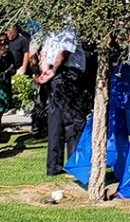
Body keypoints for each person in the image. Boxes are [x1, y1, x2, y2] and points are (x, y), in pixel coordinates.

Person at [37, 27, 88, 176]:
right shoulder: (69, 24)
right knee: (74, 120)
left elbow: (44, 52)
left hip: (54, 75)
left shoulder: (51, 26)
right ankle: (74, 164)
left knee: (56, 121)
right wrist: (52, 71)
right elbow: (64, 51)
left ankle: (53, 166)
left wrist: (46, 71)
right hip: (67, 73)